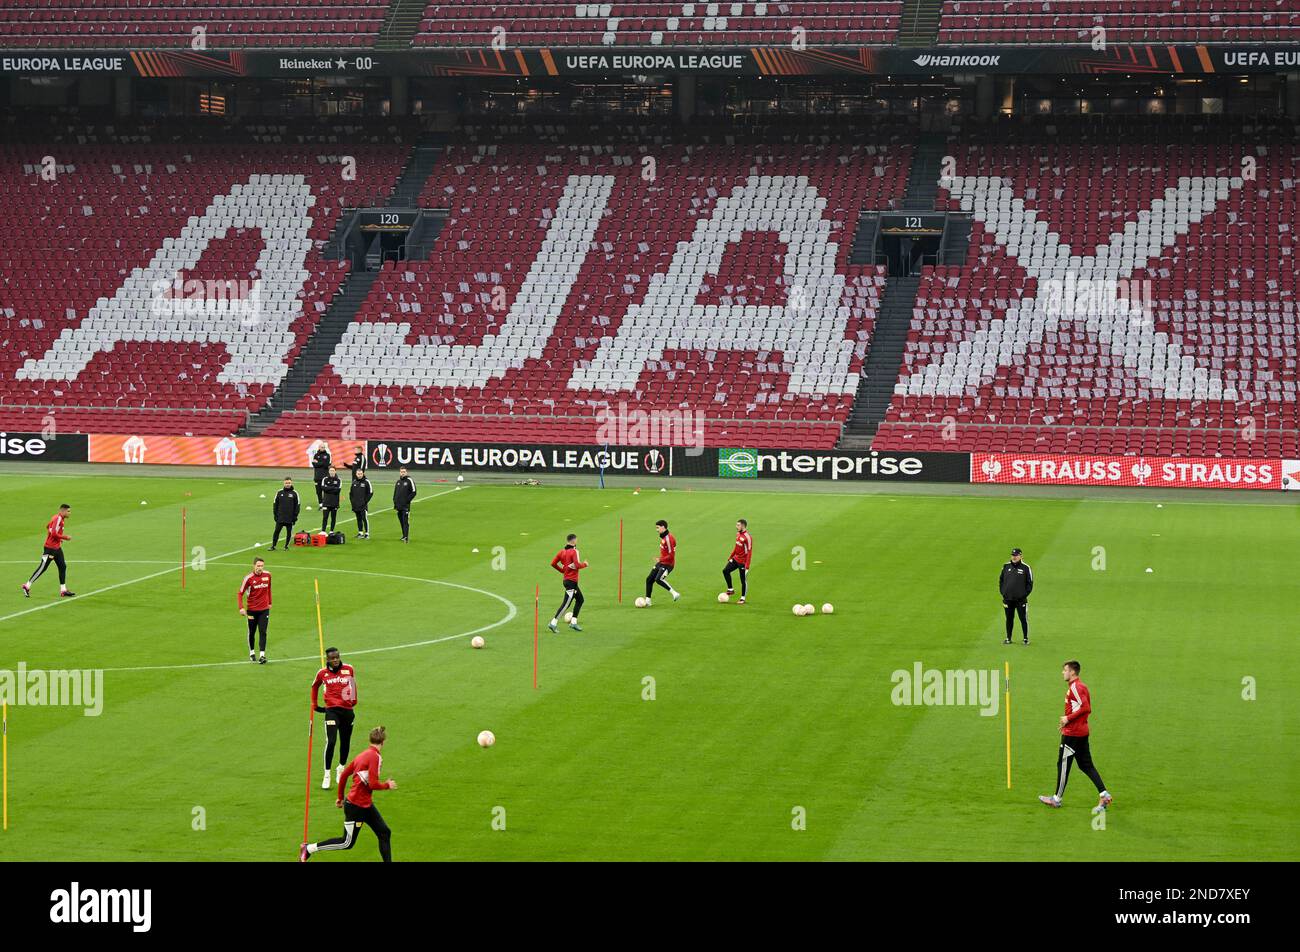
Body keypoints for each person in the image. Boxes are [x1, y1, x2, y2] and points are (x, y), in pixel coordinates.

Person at [300, 725, 397, 863]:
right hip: (356, 807)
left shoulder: (361, 755)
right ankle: (309, 849)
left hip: (365, 805)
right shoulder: (375, 757)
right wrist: (387, 785)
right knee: (346, 842)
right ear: (383, 742)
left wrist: (340, 797)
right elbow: (373, 784)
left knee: (384, 832)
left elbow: (344, 774)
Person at [1039, 660, 1113, 813]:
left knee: (1063, 765)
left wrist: (1068, 719)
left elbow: (1086, 707)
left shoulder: (1075, 688)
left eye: (1065, 670)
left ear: (1072, 672)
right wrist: (1068, 720)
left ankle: (1056, 799)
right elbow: (1082, 708)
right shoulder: (1082, 686)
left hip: (1073, 734)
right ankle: (1104, 794)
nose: (1063, 672)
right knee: (1086, 765)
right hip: (1081, 731)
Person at [312, 648, 357, 789]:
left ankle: (341, 768)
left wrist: (354, 700)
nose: (336, 660)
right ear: (328, 659)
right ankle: (327, 774)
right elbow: (314, 687)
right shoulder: (322, 673)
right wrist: (314, 704)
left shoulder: (348, 669)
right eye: (333, 658)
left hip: (347, 711)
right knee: (331, 741)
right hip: (331, 711)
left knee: (345, 741)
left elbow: (353, 684)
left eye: (337, 657)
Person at [21, 503, 76, 598]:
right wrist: (65, 537)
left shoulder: (57, 518)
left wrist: (58, 539)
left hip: (57, 548)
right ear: (62, 511)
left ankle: (63, 590)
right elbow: (54, 533)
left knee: (62, 566)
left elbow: (48, 527)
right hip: (50, 549)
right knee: (43, 568)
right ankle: (27, 586)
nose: (70, 513)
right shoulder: (58, 518)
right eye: (68, 511)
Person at [548, 533, 588, 633]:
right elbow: (577, 565)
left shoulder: (562, 552)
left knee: (580, 600)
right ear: (574, 541)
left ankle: (573, 622)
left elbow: (553, 563)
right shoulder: (574, 551)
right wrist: (585, 564)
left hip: (567, 580)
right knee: (566, 604)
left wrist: (562, 570)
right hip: (571, 582)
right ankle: (553, 623)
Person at [237, 557, 272, 664]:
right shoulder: (248, 578)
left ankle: (262, 655)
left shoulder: (268, 575)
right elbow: (240, 593)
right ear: (254, 566)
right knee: (252, 632)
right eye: (258, 566)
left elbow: (269, 589)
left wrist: (270, 602)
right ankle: (252, 652)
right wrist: (241, 607)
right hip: (252, 610)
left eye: (261, 566)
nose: (260, 568)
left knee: (263, 632)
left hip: (264, 610)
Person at [999, 547, 1033, 645]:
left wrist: (1023, 595)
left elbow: (1030, 584)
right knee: (1009, 618)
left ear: (1021, 556)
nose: (1014, 557)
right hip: (1008, 599)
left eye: (1016, 555)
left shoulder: (1026, 568)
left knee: (1023, 619)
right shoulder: (1006, 566)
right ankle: (1008, 638)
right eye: (1013, 555)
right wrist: (1003, 592)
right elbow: (1001, 580)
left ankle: (1025, 638)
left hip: (1020, 600)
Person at [643, 519, 680, 606]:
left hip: (668, 564)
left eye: (658, 528)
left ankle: (675, 593)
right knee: (649, 579)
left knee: (658, 579)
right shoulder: (664, 537)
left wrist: (660, 559)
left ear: (663, 527)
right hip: (662, 562)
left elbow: (671, 555)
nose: (657, 530)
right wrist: (661, 560)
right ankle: (648, 601)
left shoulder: (669, 539)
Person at [722, 518, 752, 604]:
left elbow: (749, 551)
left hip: (743, 562)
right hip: (736, 558)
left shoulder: (748, 537)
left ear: (743, 526)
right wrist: (731, 556)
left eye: (738, 525)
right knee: (725, 571)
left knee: (743, 580)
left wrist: (747, 565)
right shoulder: (738, 534)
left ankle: (743, 598)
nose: (736, 526)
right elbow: (736, 547)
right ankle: (730, 589)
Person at [271, 477, 301, 551]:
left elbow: (297, 506)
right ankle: (273, 546)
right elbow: (275, 504)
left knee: (289, 533)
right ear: (283, 483)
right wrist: (275, 515)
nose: (287, 484)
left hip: (290, 518)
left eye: (289, 483)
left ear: (291, 483)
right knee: (276, 532)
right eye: (286, 483)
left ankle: (286, 546)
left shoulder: (294, 493)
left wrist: (295, 517)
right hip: (280, 517)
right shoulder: (279, 492)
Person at [393, 466, 416, 542]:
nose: (402, 473)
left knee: (405, 521)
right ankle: (404, 536)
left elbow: (414, 492)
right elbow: (395, 493)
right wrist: (395, 502)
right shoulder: (398, 482)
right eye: (401, 472)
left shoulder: (409, 480)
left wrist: (407, 501)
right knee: (401, 521)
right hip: (398, 506)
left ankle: (406, 537)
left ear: (406, 472)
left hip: (405, 506)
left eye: (404, 472)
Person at [350, 469, 374, 539]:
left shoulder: (366, 482)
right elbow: (351, 494)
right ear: (356, 474)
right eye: (358, 474)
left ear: (363, 473)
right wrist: (353, 502)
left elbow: (371, 492)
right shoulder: (354, 482)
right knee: (358, 519)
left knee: (364, 518)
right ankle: (360, 532)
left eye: (361, 473)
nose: (360, 475)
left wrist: (365, 501)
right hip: (356, 505)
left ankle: (367, 533)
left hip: (363, 505)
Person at [319, 466, 342, 533]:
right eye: (330, 470)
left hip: (335, 502)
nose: (332, 472)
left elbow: (338, 490)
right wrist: (333, 488)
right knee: (325, 517)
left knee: (333, 518)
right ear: (328, 471)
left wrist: (328, 488)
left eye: (333, 470)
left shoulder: (339, 480)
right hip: (326, 502)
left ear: (335, 471)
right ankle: (323, 530)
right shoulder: (325, 479)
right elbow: (323, 488)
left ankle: (331, 531)